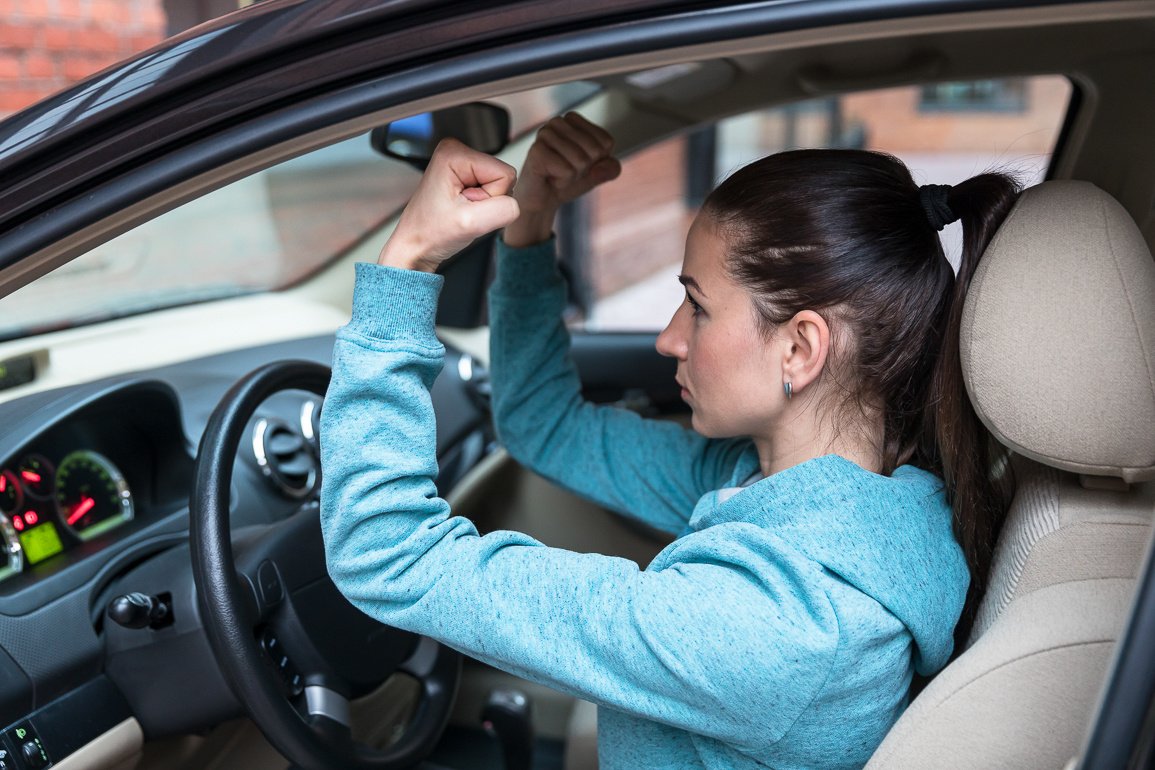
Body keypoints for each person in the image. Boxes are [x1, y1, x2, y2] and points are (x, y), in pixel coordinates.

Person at [319, 113, 1018, 769]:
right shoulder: (822, 496)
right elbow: (545, 424)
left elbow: (384, 552)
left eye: (698, 306)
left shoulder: (776, 627)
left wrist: (407, 261)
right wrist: (530, 224)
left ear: (800, 349)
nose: (668, 339)